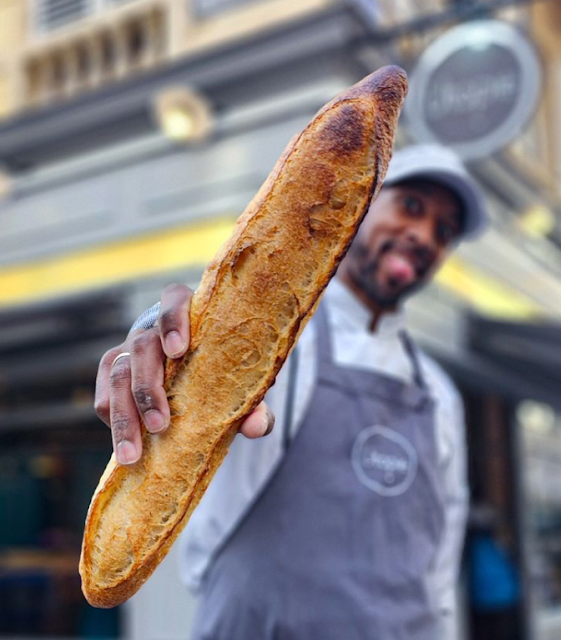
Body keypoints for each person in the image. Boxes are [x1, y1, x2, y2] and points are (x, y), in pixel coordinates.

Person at [94, 144, 489, 640]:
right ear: (361, 203)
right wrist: (155, 333)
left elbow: (440, 570)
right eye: (411, 206)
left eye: (444, 230)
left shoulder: (439, 394)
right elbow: (192, 360)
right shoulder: (272, 347)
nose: (425, 235)